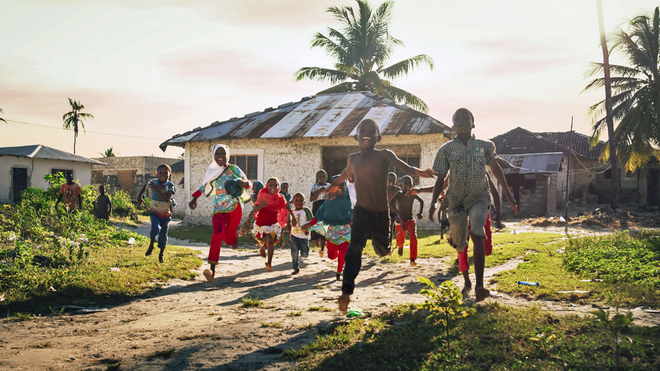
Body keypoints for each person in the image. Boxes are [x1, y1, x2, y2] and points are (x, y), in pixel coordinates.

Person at [326, 119, 435, 311]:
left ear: (379, 137)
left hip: (381, 215)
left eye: (371, 130)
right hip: (361, 212)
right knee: (355, 248)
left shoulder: (384, 155)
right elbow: (344, 174)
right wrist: (332, 186)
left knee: (382, 251)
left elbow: (407, 169)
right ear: (356, 137)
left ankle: (385, 247)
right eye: (363, 130)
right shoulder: (353, 158)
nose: (366, 133)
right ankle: (346, 290)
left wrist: (422, 173)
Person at [428, 108, 518, 301]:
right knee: (460, 244)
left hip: (479, 198)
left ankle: (479, 285)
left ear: (473, 123)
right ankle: (467, 281)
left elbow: (495, 167)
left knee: (477, 231)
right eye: (457, 120)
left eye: (465, 119)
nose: (461, 122)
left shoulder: (485, 146)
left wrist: (509, 196)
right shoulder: (446, 150)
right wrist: (433, 203)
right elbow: (440, 178)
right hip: (456, 200)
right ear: (452, 126)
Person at [189, 144, 251, 282]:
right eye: (218, 153)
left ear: (227, 155)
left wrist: (243, 184)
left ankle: (233, 239)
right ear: (213, 155)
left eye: (223, 153)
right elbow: (203, 186)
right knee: (217, 235)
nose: (221, 156)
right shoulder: (211, 170)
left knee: (228, 238)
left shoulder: (234, 169)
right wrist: (194, 199)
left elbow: (248, 183)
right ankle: (211, 270)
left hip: (235, 206)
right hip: (219, 208)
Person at [302, 176, 353, 281]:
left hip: (345, 231)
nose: (339, 187)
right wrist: (309, 225)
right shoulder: (328, 201)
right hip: (332, 233)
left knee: (343, 252)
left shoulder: (349, 200)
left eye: (342, 184)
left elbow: (353, 216)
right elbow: (319, 215)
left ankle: (339, 272)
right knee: (332, 256)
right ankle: (337, 254)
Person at [252, 177, 296, 272]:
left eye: (275, 185)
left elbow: (286, 207)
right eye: (270, 185)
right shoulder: (262, 195)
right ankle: (262, 247)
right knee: (264, 240)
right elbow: (254, 210)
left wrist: (293, 217)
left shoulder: (280, 198)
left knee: (271, 241)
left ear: (278, 186)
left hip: (272, 223)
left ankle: (269, 262)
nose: (273, 187)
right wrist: (260, 206)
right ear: (267, 186)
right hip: (261, 223)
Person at [138, 164, 175, 263]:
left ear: (169, 174)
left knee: (163, 235)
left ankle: (161, 253)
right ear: (157, 174)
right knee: (155, 228)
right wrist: (139, 197)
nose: (163, 175)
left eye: (165, 173)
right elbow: (146, 186)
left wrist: (156, 189)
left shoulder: (170, 185)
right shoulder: (153, 182)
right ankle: (151, 245)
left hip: (165, 213)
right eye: (160, 173)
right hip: (154, 210)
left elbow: (167, 198)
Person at [388, 175, 424, 266]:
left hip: (410, 220)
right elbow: (391, 203)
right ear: (401, 184)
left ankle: (412, 259)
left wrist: (420, 213)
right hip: (400, 220)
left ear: (412, 185)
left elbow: (421, 201)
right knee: (400, 239)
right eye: (405, 183)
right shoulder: (399, 194)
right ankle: (400, 247)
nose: (407, 185)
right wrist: (397, 213)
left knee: (413, 237)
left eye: (409, 183)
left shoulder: (413, 194)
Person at [288, 192, 313, 275]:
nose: (298, 202)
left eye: (300, 200)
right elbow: (289, 223)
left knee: (305, 254)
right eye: (296, 200)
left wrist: (307, 228)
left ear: (304, 202)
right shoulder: (291, 211)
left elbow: (311, 221)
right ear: (293, 201)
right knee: (294, 253)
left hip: (304, 237)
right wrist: (289, 235)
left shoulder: (305, 210)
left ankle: (301, 257)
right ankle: (296, 268)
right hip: (294, 236)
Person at [310, 169, 330, 257]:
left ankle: (322, 249)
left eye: (323, 176)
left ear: (326, 177)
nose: (321, 178)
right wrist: (319, 191)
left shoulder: (329, 185)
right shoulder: (314, 186)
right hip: (317, 206)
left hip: (326, 205)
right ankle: (315, 239)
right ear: (317, 178)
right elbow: (311, 199)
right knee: (317, 224)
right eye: (320, 176)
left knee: (324, 226)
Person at [387, 172, 401, 251]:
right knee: (387, 229)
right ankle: (387, 244)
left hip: (394, 212)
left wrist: (399, 212)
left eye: (393, 180)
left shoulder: (397, 190)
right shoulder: (383, 189)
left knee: (393, 229)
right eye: (389, 180)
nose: (391, 181)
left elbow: (400, 202)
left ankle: (393, 244)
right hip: (385, 212)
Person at [277, 182, 292, 249]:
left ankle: (289, 240)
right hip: (281, 212)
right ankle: (281, 241)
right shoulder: (279, 195)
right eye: (283, 187)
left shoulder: (288, 195)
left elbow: (287, 203)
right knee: (281, 227)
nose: (285, 189)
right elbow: (283, 203)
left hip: (287, 211)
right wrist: (291, 202)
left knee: (289, 226)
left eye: (286, 187)